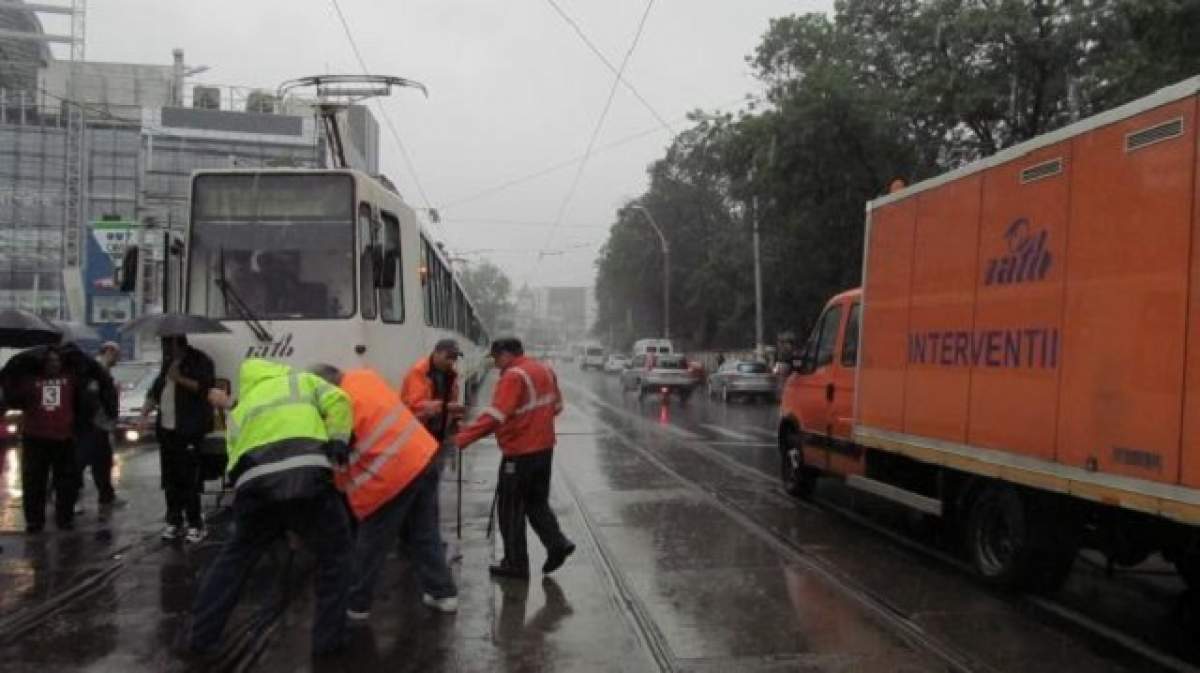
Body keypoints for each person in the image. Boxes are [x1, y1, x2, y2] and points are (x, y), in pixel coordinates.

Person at [187, 358, 354, 657]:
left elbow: (233, 459)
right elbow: (339, 400)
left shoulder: (241, 409)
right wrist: (338, 440)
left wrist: (257, 503)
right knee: (336, 555)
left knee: (235, 561)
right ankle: (328, 644)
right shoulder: (302, 381)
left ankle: (201, 637)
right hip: (308, 479)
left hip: (256, 488)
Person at [310, 364, 458, 619]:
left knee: (370, 542)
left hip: (393, 476)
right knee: (424, 532)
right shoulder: (365, 377)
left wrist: (340, 491)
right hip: (423, 457)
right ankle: (443, 594)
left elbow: (339, 461)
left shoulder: (338, 406)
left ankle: (356, 604)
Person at [454, 337, 575, 580]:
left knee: (510, 510)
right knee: (537, 502)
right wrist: (534, 422)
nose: (497, 364)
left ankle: (515, 564)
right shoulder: (545, 370)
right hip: (544, 450)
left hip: (519, 455)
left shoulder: (513, 376)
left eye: (497, 358)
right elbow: (558, 406)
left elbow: (495, 416)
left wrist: (462, 438)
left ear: (507, 354)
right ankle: (557, 543)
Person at [143, 335, 215, 543]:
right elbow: (156, 391)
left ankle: (195, 523)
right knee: (170, 479)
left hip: (189, 430)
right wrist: (144, 414)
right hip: (167, 431)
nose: (165, 349)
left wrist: (179, 378)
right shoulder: (168, 364)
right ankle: (174, 521)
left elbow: (204, 388)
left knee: (189, 479)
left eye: (168, 344)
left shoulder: (200, 361)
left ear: (178, 344)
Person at [10, 348, 80, 532]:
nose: (53, 364)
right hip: (35, 437)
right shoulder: (30, 381)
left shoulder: (70, 379)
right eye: (50, 361)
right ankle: (34, 520)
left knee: (66, 482)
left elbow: (81, 402)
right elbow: (16, 400)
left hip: (63, 437)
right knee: (34, 481)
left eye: (56, 361)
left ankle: (65, 518)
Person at [400, 339, 467, 452]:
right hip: (417, 432)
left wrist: (456, 419)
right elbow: (415, 406)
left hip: (439, 432)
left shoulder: (451, 374)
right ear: (436, 352)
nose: (451, 361)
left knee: (435, 465)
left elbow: (453, 399)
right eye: (449, 356)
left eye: (454, 358)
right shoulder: (419, 372)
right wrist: (445, 407)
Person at [78, 342, 121, 507]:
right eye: (117, 354)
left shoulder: (103, 370)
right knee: (89, 460)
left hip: (99, 423)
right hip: (96, 423)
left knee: (101, 461)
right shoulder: (97, 369)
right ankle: (103, 495)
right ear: (109, 352)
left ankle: (107, 495)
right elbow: (94, 395)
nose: (119, 358)